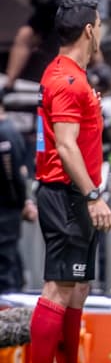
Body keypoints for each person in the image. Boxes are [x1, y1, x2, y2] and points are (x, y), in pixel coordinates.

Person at [24, 0, 111, 363]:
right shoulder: (66, 80)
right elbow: (65, 146)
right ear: (90, 30)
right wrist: (93, 194)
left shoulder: (74, 75)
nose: (102, 30)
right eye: (101, 23)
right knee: (59, 288)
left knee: (77, 289)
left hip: (75, 195)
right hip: (66, 194)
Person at [0, 100, 35, 293]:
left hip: (6, 212)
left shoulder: (6, 133)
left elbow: (14, 175)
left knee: (6, 268)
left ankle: (7, 319)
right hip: (8, 209)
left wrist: (22, 202)